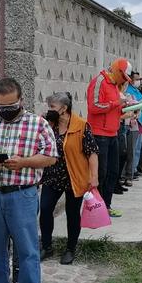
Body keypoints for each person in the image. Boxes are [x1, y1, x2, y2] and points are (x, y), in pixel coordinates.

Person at [0, 77, 57, 283]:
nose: (4, 112)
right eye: (0, 107)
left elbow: (51, 157)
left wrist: (24, 162)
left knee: (26, 249)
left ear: (21, 100)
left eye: (10, 107)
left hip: (22, 194)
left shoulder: (38, 124)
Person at [40, 92, 100, 265]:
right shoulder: (48, 125)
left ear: (64, 108)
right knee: (44, 209)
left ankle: (70, 249)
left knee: (72, 214)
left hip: (75, 177)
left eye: (52, 107)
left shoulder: (81, 126)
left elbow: (92, 153)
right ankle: (46, 246)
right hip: (52, 176)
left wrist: (93, 176)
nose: (49, 110)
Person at [88, 58, 132, 215]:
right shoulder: (100, 81)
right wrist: (116, 103)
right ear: (117, 70)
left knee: (113, 172)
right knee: (101, 173)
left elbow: (114, 108)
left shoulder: (114, 85)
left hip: (113, 133)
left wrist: (124, 107)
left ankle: (106, 206)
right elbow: (94, 106)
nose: (124, 81)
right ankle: (96, 208)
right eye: (124, 77)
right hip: (99, 135)